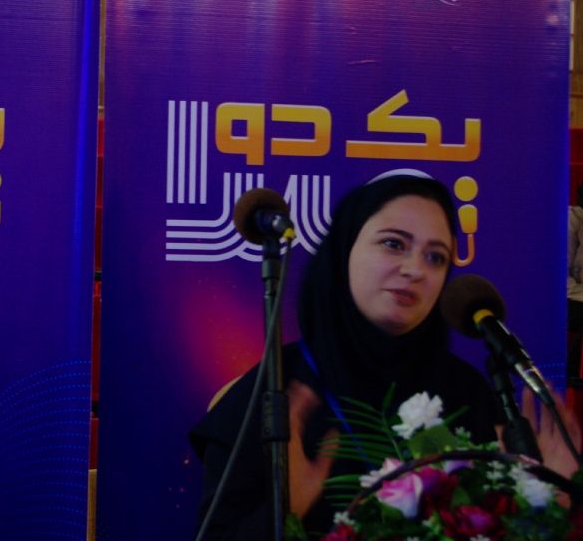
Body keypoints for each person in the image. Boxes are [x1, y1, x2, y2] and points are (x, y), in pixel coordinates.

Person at [190, 173, 578, 540]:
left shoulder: (468, 394)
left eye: (436, 257)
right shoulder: (277, 392)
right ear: (345, 249)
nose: (415, 270)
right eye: (394, 243)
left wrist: (551, 505)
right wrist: (284, 512)